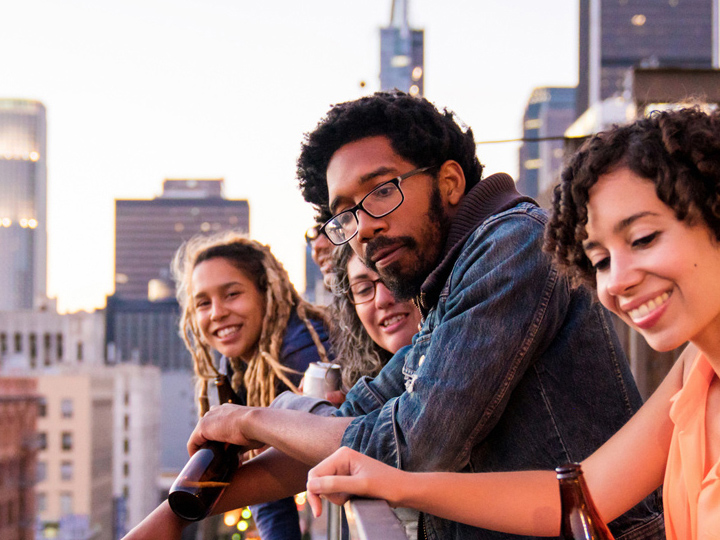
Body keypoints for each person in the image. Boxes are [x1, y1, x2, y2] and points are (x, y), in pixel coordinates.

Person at [123, 91, 662, 540]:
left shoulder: (512, 244)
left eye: (381, 191)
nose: (363, 228)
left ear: (449, 182)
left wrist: (252, 420)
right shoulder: (446, 284)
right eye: (344, 215)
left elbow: (418, 444)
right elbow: (345, 423)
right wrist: (175, 515)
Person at [306, 106, 720, 540]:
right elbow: (578, 494)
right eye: (599, 260)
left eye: (643, 239)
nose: (618, 280)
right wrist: (397, 483)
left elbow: (417, 441)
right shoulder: (695, 371)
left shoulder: (506, 246)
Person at [171, 231, 331, 540]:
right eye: (203, 303)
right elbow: (265, 485)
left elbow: (346, 452)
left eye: (232, 294)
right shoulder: (236, 366)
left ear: (266, 293)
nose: (217, 312)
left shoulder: (300, 355)